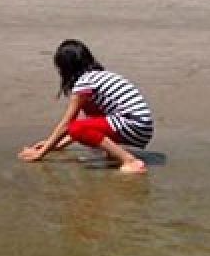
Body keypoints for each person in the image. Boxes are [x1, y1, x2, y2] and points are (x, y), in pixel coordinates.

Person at [18, 40, 152, 174]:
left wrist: (40, 153)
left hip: (134, 126)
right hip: (142, 128)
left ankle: (130, 160)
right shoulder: (99, 76)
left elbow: (68, 125)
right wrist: (57, 145)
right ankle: (114, 153)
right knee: (89, 119)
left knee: (76, 127)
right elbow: (90, 124)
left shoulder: (84, 83)